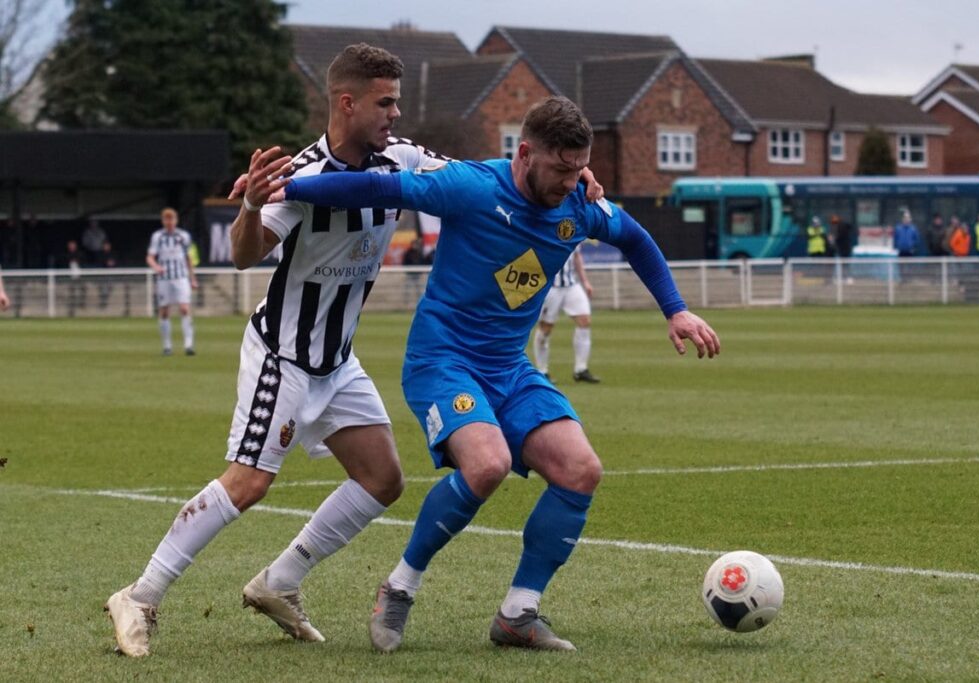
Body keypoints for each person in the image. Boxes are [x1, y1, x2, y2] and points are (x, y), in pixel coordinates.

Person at [102, 44, 605, 658]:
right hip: (283, 355)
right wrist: (254, 204)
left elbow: (484, 178)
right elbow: (242, 253)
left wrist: (568, 172)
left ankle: (278, 583)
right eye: (385, 101)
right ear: (348, 102)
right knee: (249, 482)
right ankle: (140, 595)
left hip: (337, 361)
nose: (396, 114)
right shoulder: (303, 175)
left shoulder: (403, 159)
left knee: (382, 479)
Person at [269, 95, 720, 653]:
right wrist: (288, 188)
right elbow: (378, 188)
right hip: (443, 361)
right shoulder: (471, 187)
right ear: (525, 153)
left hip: (508, 367)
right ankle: (400, 586)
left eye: (580, 168)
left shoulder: (579, 202)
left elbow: (635, 238)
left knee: (581, 470)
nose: (571, 181)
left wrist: (674, 308)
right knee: (487, 465)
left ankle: (518, 614)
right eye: (561, 168)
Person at [533, 243, 599, 383]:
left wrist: (585, 281)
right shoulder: (545, 231)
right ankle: (542, 371)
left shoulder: (573, 228)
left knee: (584, 321)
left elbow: (577, 256)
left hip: (571, 285)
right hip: (551, 287)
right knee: (545, 329)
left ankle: (581, 369)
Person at [146, 208, 198, 355]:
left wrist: (192, 279)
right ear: (163, 221)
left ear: (176, 220)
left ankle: (188, 345)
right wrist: (156, 266)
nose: (169, 222)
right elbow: (150, 257)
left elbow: (189, 259)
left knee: (184, 309)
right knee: (164, 311)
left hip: (181, 277)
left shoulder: (183, 236)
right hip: (164, 279)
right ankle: (167, 346)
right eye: (166, 219)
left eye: (172, 219)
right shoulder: (158, 237)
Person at [401, 236, 430, 306]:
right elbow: (405, 262)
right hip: (410, 274)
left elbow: (422, 262)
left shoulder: (419, 253)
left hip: (417, 274)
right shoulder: (408, 253)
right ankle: (406, 302)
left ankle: (419, 301)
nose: (415, 245)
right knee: (408, 288)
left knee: (418, 289)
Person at [62, 239, 86, 314]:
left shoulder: (80, 254)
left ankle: (82, 304)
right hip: (69, 277)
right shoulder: (65, 255)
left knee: (83, 288)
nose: (72, 247)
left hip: (79, 276)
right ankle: (71, 309)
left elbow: (83, 263)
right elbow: (63, 265)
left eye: (73, 245)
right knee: (72, 291)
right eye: (70, 245)